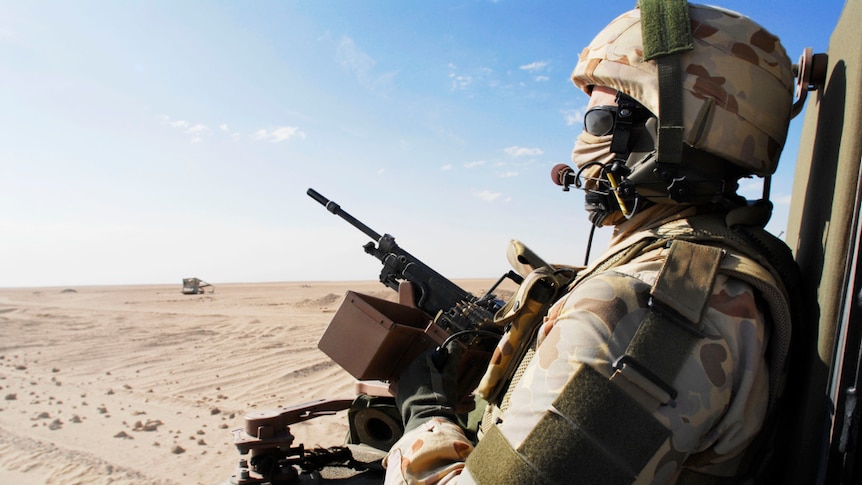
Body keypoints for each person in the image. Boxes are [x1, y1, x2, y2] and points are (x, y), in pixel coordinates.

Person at [383, 1, 796, 483]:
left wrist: (425, 419)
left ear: (671, 131)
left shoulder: (640, 313)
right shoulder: (710, 260)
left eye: (598, 122)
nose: (579, 149)